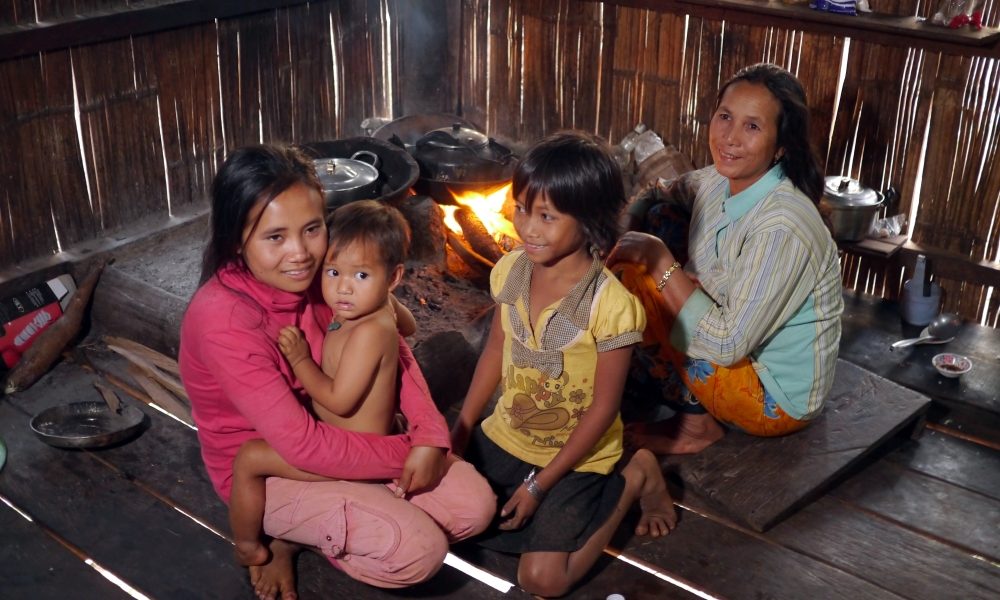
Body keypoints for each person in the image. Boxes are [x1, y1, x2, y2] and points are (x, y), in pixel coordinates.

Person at [178, 144, 494, 600]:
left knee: (474, 509)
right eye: (274, 237)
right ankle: (288, 535)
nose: (300, 253)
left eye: (312, 229)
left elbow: (395, 345)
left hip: (344, 438)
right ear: (236, 240)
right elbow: (301, 444)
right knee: (419, 552)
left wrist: (429, 436)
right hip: (271, 471)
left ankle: (339, 518)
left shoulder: (328, 276)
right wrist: (404, 452)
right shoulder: (223, 320)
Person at [450, 131, 677, 599]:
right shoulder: (511, 271)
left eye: (547, 216)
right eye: (521, 209)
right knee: (448, 517)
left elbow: (602, 410)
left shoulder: (609, 306)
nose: (528, 228)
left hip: (576, 456)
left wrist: (539, 487)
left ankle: (636, 476)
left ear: (589, 220)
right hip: (508, 435)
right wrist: (464, 428)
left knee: (541, 581)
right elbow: (495, 350)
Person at [607, 63, 844, 455]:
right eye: (725, 117)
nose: (730, 138)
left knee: (639, 274)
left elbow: (728, 344)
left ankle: (696, 426)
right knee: (659, 219)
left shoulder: (782, 226)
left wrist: (658, 259)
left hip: (772, 397)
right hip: (735, 343)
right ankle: (657, 380)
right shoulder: (719, 181)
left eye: (752, 127)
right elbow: (659, 191)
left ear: (780, 146)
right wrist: (628, 226)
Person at [227, 199, 415, 570]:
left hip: (355, 450)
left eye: (361, 276)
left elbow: (339, 400)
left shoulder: (369, 332)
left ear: (393, 276)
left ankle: (248, 544)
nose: (343, 289)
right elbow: (409, 327)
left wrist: (299, 360)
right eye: (333, 273)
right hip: (350, 439)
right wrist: (382, 297)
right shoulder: (374, 310)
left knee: (249, 458)